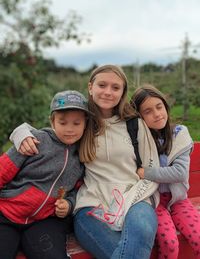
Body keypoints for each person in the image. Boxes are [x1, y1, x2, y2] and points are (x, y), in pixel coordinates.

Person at [10, 65, 160, 259]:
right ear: (91, 87)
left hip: (135, 200)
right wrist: (20, 133)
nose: (108, 92)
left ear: (123, 92)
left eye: (115, 87)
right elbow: (49, 132)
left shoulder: (134, 124)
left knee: (142, 228)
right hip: (91, 204)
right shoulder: (81, 122)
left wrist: (132, 200)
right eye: (102, 85)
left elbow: (152, 168)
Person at [0, 90, 92, 259]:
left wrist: (69, 205)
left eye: (76, 123)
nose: (69, 129)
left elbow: (77, 191)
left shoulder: (82, 156)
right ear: (52, 121)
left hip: (43, 221)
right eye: (63, 123)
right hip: (6, 215)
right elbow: (3, 169)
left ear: (85, 123)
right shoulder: (34, 140)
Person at [130, 84, 200, 259]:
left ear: (165, 106)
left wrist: (146, 172)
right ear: (139, 117)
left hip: (178, 200)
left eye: (159, 107)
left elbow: (180, 173)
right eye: (147, 111)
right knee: (169, 243)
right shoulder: (140, 141)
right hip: (153, 202)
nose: (156, 114)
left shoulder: (179, 134)